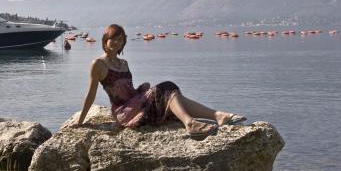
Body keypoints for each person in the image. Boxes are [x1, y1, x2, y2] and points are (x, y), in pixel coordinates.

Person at [74, 24, 246, 137]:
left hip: (135, 103)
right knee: (166, 88)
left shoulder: (123, 63)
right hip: (124, 113)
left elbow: (129, 92)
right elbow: (91, 94)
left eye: (121, 39)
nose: (118, 42)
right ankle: (191, 123)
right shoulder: (98, 64)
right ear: (105, 40)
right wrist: (80, 121)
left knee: (172, 94)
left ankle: (218, 116)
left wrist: (140, 90)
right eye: (114, 38)